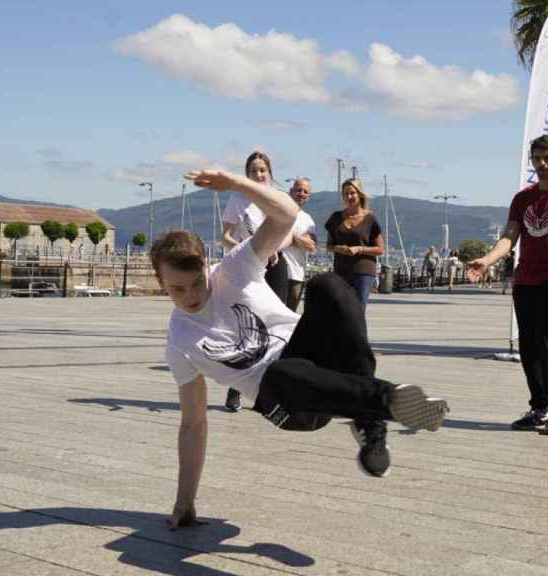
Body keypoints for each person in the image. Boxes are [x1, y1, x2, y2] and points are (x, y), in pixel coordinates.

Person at [157, 169, 449, 529]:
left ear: (206, 265)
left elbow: (286, 215)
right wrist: (184, 501)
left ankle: (368, 419)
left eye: (196, 283)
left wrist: (236, 184)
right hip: (285, 401)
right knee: (280, 373)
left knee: (327, 284)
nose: (191, 296)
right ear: (162, 284)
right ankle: (385, 400)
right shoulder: (180, 342)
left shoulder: (233, 270)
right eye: (177, 289)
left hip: (311, 358)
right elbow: (193, 424)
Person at [466, 135, 548, 435]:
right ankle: (538, 407)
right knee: (528, 345)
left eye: (547, 158)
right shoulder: (523, 198)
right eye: (536, 159)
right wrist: (487, 260)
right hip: (526, 278)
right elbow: (509, 238)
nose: (542, 164)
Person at [219, 151, 290, 412]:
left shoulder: (278, 198)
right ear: (247, 174)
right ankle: (235, 388)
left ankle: (274, 391)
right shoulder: (239, 199)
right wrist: (246, 249)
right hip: (248, 265)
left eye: (262, 170)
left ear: (269, 172)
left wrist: (273, 249)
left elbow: (289, 233)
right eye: (253, 171)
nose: (259, 175)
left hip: (274, 263)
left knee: (276, 327)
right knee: (248, 325)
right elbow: (225, 236)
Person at [324, 178, 384, 311]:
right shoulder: (336, 218)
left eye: (352, 193)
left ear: (360, 194)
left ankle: (357, 332)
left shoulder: (370, 218)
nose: (349, 196)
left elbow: (380, 249)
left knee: (358, 309)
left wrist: (359, 249)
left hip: (363, 271)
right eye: (345, 194)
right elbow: (328, 245)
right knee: (340, 308)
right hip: (341, 271)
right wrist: (337, 248)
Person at [282, 177, 317, 312]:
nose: (301, 193)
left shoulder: (308, 219)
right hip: (277, 272)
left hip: (297, 274)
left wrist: (290, 236)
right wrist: (300, 240)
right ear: (291, 191)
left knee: (291, 315)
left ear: (308, 196)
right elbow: (276, 238)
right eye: (298, 190)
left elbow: (311, 246)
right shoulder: (280, 212)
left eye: (305, 191)